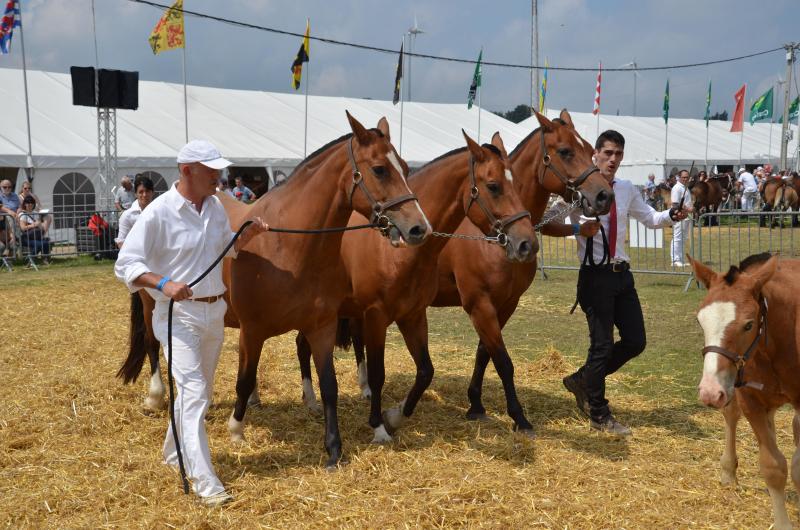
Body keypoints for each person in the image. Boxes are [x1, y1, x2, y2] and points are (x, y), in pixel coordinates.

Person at [114, 140, 268, 506]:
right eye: (211, 171)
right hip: (177, 316)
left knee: (198, 392)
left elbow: (225, 250)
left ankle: (173, 452)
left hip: (214, 312)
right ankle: (205, 481)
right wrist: (164, 284)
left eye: (218, 170)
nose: (219, 177)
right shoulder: (159, 212)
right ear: (187, 171)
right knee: (196, 392)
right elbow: (126, 263)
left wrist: (247, 236)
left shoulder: (214, 207)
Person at [561, 130, 688, 437]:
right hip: (595, 276)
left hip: (622, 275)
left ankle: (582, 380)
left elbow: (650, 219)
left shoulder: (627, 188)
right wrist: (580, 227)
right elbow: (560, 222)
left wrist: (672, 215)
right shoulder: (580, 189)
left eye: (618, 154)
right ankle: (599, 413)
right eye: (607, 153)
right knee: (601, 347)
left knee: (635, 341)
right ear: (595, 154)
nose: (613, 159)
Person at [116, 174, 155, 248]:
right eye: (141, 192)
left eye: (147, 191)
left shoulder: (160, 211)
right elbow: (121, 242)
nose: (144, 195)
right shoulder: (127, 216)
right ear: (136, 194)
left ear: (153, 192)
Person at [17, 195, 52, 265]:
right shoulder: (22, 214)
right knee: (39, 244)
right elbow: (23, 228)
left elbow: (39, 226)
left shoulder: (36, 213)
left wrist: (40, 225)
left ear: (33, 204)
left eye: (31, 203)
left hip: (35, 236)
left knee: (46, 242)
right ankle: (30, 260)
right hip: (26, 237)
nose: (30, 204)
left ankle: (45, 259)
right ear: (25, 204)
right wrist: (33, 225)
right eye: (28, 203)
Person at [670, 170, 694, 267]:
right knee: (677, 238)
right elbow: (675, 204)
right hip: (679, 216)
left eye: (687, 177)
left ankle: (680, 259)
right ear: (679, 177)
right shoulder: (677, 188)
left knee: (683, 238)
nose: (685, 179)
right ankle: (675, 260)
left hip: (686, 216)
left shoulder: (685, 188)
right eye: (683, 177)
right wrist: (688, 208)